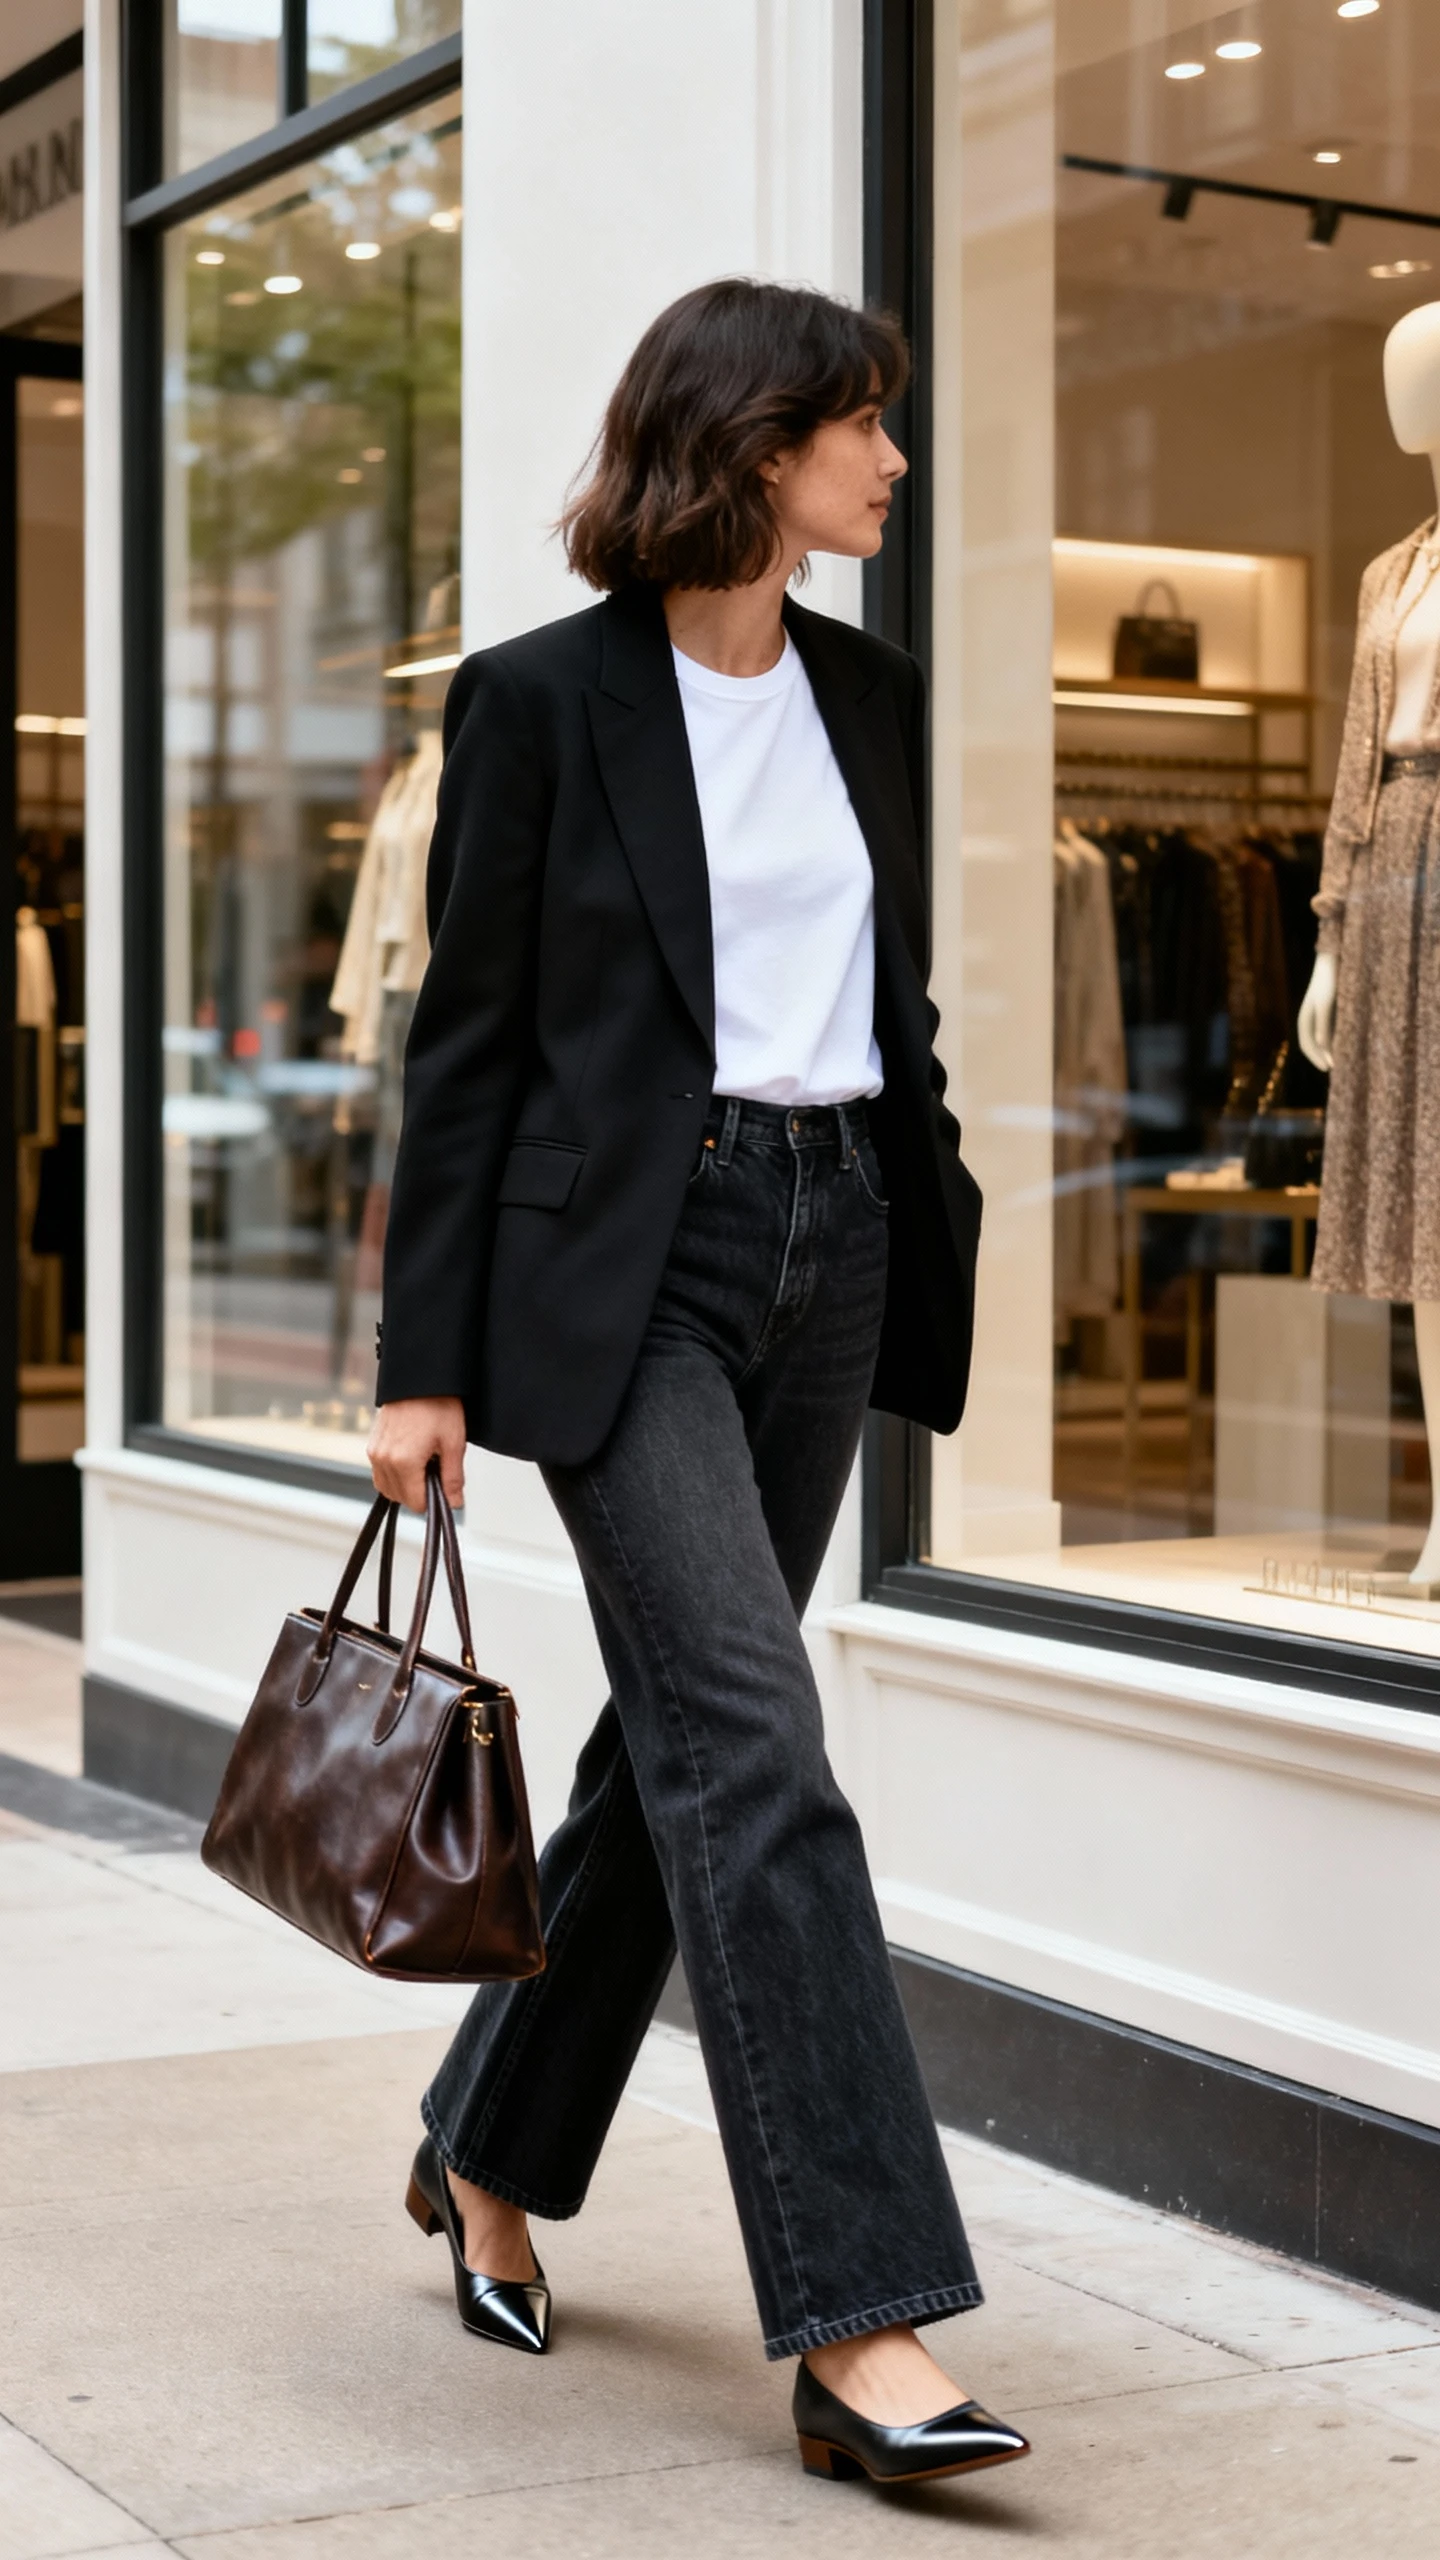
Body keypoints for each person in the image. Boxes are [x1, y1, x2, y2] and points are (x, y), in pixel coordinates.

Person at [367, 277, 1028, 2491]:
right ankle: (863, 2320)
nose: (894, 462)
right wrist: (422, 1365)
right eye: (865, 425)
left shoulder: (872, 696)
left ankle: (486, 2144)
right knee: (758, 1745)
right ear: (754, 445)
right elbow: (466, 1050)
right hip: (627, 1277)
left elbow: (890, 1002)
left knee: (673, 1756)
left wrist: (920, 1197)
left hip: (833, 1240)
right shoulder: (539, 702)